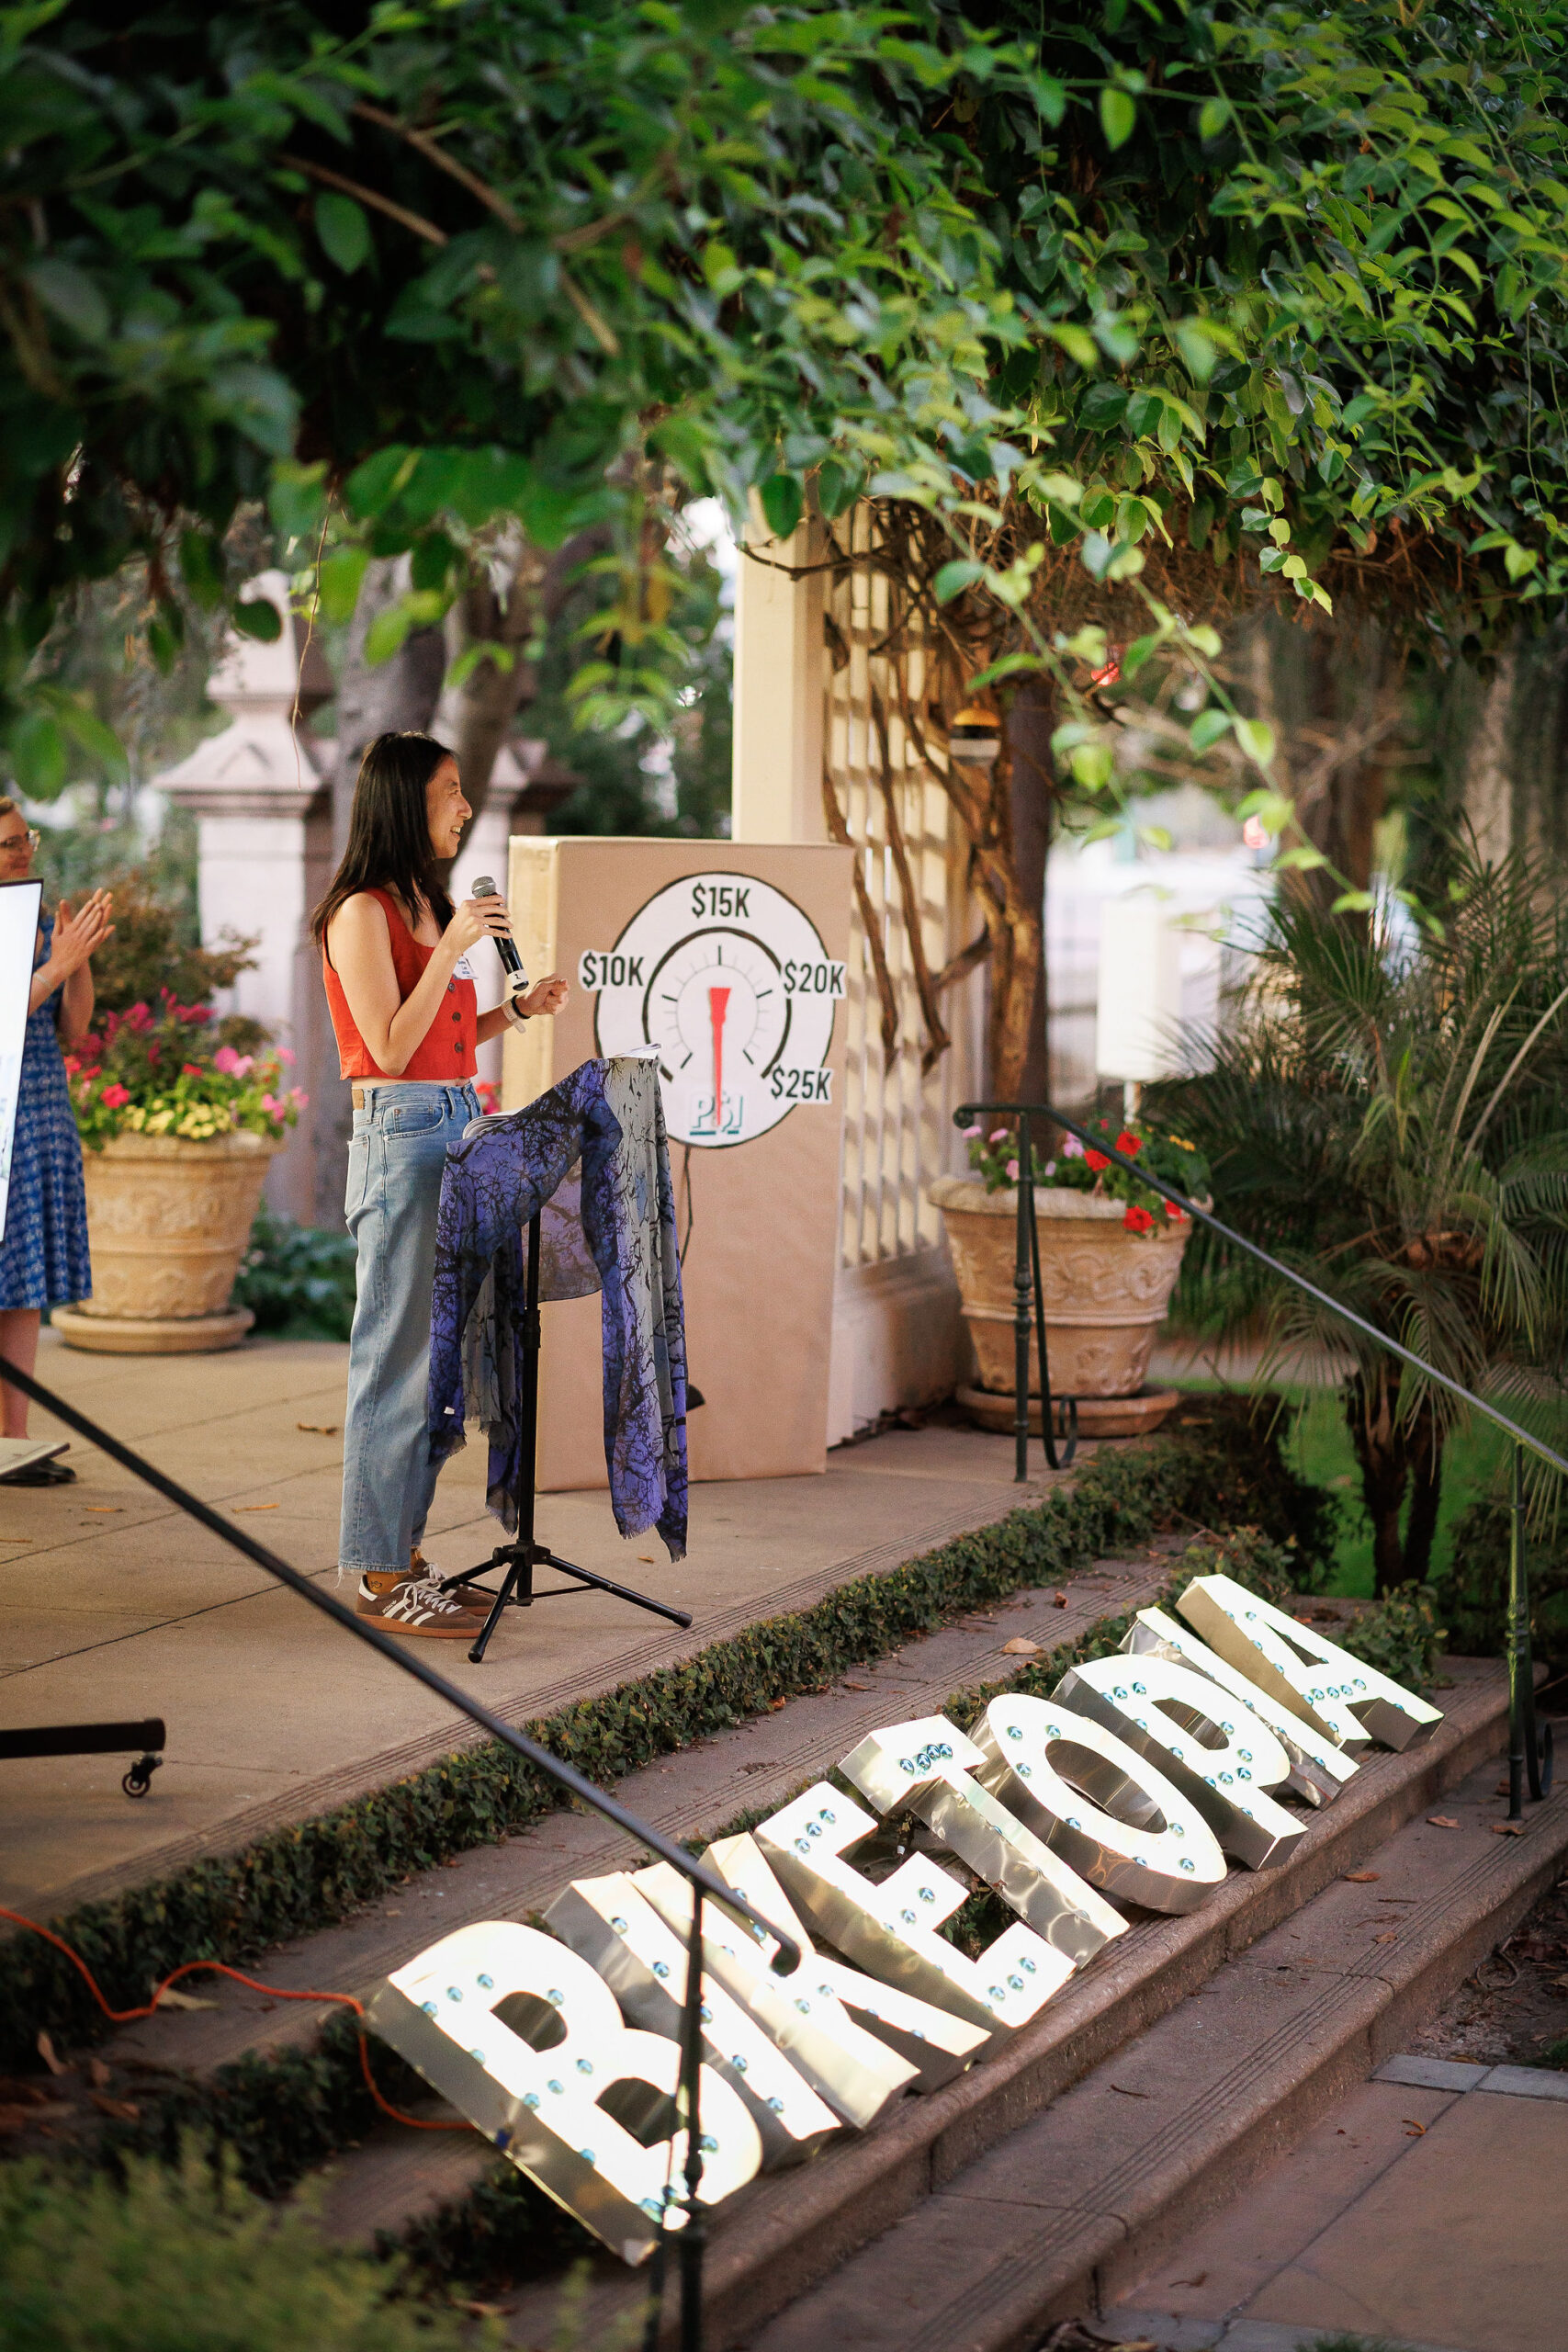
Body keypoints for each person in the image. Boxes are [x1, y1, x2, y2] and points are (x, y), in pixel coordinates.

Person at [313, 732, 568, 1636]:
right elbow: (387, 1046)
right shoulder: (360, 912)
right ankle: (379, 1575)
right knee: (396, 1361)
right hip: (402, 1133)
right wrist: (451, 945)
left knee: (441, 1363)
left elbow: (443, 1035)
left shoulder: (428, 903)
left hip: (456, 1119)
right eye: (449, 791)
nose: (464, 807)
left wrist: (515, 1010)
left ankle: (405, 1553)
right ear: (402, 803)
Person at [0, 803, 114, 1483]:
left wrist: (76, 962)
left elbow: (73, 1028)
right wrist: (57, 963)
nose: (22, 852)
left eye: (26, 839)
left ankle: (12, 1439)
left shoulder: (35, 918)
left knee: (21, 1283)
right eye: (8, 843)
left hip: (39, 1110)